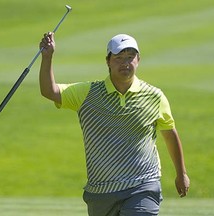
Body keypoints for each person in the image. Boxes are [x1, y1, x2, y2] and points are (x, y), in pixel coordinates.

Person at [39, 32, 190, 216]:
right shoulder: (87, 93)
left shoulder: (154, 96)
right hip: (101, 192)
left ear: (138, 60)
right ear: (108, 61)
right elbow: (49, 91)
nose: (125, 63)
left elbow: (169, 134)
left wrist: (181, 174)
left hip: (143, 185)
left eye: (130, 57)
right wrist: (47, 57)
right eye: (118, 58)